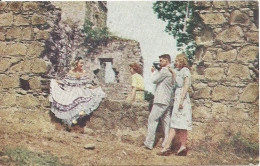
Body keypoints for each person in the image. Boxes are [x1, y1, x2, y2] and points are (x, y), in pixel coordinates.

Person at [49, 56, 106, 126]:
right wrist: (55, 81)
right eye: (81, 63)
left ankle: (77, 120)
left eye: (83, 63)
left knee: (82, 102)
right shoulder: (71, 72)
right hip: (71, 91)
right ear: (76, 63)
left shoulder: (84, 73)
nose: (82, 65)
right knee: (68, 100)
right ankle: (72, 123)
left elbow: (87, 83)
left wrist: (94, 87)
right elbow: (65, 82)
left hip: (82, 91)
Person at [157, 53, 192, 156]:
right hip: (177, 97)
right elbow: (174, 82)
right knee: (176, 123)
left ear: (181, 61)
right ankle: (180, 147)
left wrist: (181, 100)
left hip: (182, 98)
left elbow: (185, 85)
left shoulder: (185, 71)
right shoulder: (177, 71)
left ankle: (170, 147)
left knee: (180, 124)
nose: (175, 63)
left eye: (177, 61)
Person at [144, 54, 174, 150]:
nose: (160, 63)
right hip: (168, 100)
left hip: (161, 100)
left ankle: (148, 143)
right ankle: (166, 144)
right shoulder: (171, 70)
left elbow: (154, 80)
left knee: (152, 119)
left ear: (167, 60)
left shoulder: (165, 70)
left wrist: (154, 72)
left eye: (161, 61)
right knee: (166, 122)